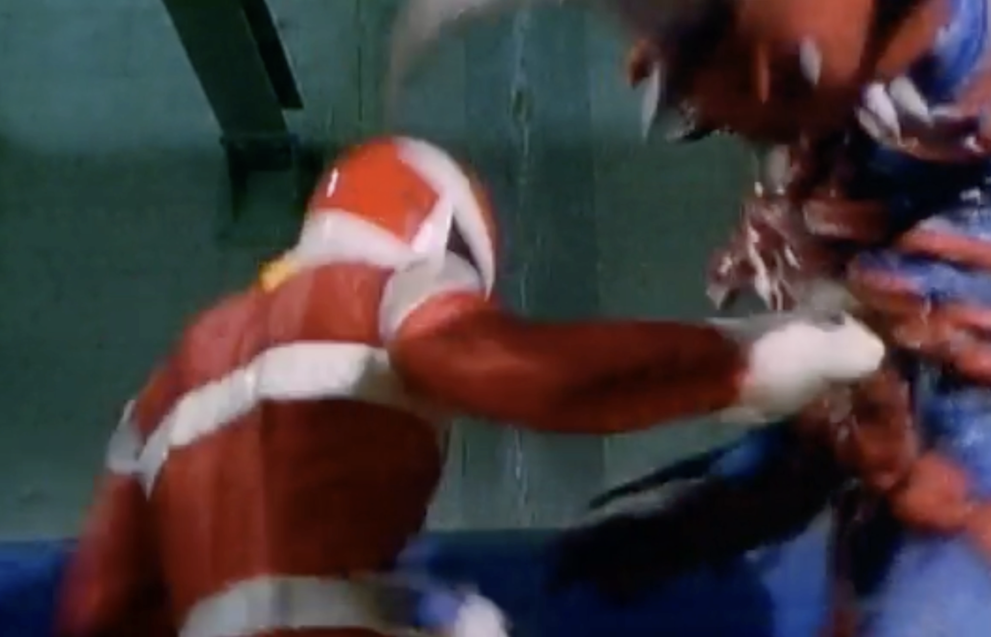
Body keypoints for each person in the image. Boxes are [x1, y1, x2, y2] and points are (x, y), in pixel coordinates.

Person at [57, 136, 884, 637]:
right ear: (440, 237)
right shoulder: (385, 296)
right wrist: (750, 360)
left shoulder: (170, 378)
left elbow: (101, 605)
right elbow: (531, 376)